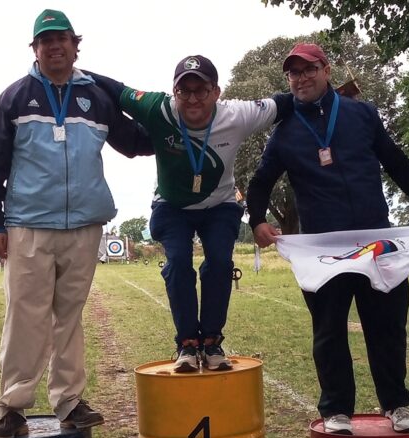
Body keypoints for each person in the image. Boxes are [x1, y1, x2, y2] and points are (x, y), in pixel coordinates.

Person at [246, 43, 409, 435]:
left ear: (326, 70)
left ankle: (397, 404)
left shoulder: (362, 113)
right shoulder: (284, 132)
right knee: (329, 331)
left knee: (387, 327)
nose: (301, 78)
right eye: (293, 73)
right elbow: (259, 182)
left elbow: (396, 161)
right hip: (324, 251)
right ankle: (337, 411)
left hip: (377, 243)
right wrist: (257, 221)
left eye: (309, 70)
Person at [0, 9, 152, 438]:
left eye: (62, 39)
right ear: (34, 49)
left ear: (76, 46)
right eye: (45, 40)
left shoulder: (98, 96)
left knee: (69, 317)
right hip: (28, 226)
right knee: (26, 317)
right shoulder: (15, 97)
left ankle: (70, 402)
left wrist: (179, 127)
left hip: (84, 226)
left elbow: (133, 142)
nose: (54, 46)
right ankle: (11, 406)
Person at [91, 55, 291, 372]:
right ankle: (187, 343)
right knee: (179, 263)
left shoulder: (238, 114)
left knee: (220, 263)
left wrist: (330, 98)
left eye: (202, 90)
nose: (193, 99)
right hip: (172, 206)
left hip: (220, 205)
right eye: (184, 91)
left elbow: (285, 102)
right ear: (175, 92)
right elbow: (115, 89)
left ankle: (211, 341)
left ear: (217, 92)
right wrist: (73, 71)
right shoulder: (158, 108)